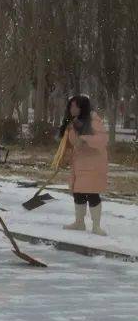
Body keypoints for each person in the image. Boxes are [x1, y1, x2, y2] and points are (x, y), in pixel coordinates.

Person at [62, 94, 109, 236]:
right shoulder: (74, 122)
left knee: (92, 193)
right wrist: (64, 156)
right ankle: (79, 222)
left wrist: (85, 138)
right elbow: (72, 144)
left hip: (93, 164)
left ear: (81, 107)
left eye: (74, 106)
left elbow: (102, 139)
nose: (71, 108)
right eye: (70, 106)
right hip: (79, 163)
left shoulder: (94, 121)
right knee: (78, 192)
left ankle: (96, 226)